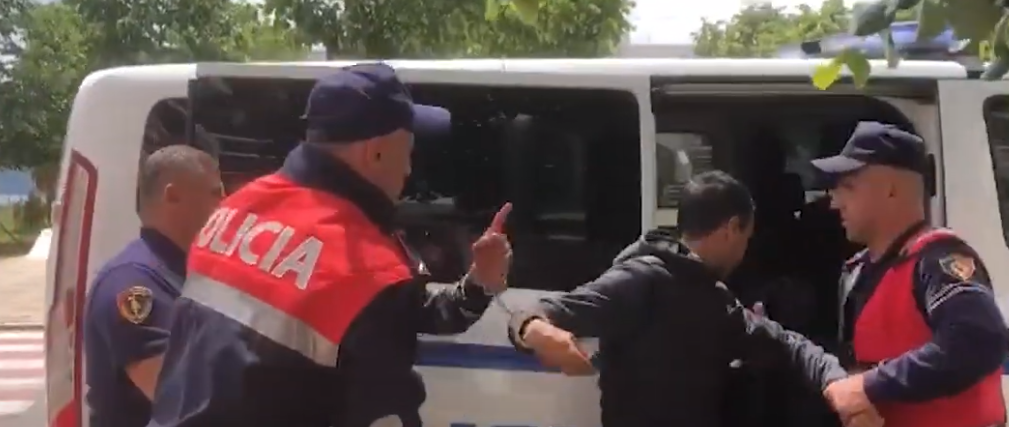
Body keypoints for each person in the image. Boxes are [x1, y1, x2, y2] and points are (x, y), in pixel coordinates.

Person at [147, 63, 512, 427]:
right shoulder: (366, 267)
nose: (408, 169)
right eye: (408, 151)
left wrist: (478, 282)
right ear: (376, 153)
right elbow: (386, 414)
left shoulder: (236, 209)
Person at [506, 170, 870, 427]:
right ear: (731, 229)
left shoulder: (714, 299)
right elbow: (540, 312)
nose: (744, 252)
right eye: (746, 239)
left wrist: (836, 380)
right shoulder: (643, 278)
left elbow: (784, 343)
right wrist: (534, 329)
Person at [814, 121, 1009, 427]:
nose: (834, 202)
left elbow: (977, 340)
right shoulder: (857, 272)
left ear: (890, 190)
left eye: (848, 187)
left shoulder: (937, 260)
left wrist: (870, 386)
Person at [83, 145, 223, 427]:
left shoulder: (175, 272)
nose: (225, 204)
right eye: (215, 193)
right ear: (173, 196)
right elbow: (182, 398)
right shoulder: (134, 284)